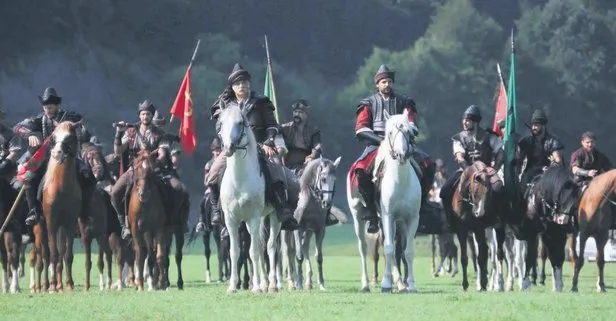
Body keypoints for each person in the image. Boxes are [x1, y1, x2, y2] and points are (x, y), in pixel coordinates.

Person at [205, 63, 299, 231]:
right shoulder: (225, 104)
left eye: (245, 82)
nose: (242, 86)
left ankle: (282, 208)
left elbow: (272, 125)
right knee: (213, 173)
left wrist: (267, 143)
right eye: (238, 83)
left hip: (261, 147)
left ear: (250, 83)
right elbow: (220, 125)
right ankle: (216, 211)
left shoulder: (261, 102)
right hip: (232, 148)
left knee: (279, 172)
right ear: (232, 87)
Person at [350, 64, 433, 233]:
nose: (386, 85)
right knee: (360, 170)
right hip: (377, 144)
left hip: (402, 142)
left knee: (428, 165)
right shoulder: (369, 103)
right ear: (377, 85)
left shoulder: (404, 101)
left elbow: (412, 123)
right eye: (383, 82)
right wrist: (381, 141)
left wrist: (407, 131)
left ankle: (421, 206)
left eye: (388, 81)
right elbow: (361, 128)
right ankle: (372, 214)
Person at [13, 87, 92, 226]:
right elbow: (17, 127)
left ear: (57, 106)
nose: (47, 110)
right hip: (46, 159)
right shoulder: (38, 119)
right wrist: (30, 134)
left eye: (50, 107)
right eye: (45, 108)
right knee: (30, 178)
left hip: (67, 158)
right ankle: (34, 211)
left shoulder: (70, 116)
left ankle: (85, 212)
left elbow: (82, 126)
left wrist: (75, 127)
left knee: (88, 175)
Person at [110, 99, 166, 239]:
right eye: (142, 114)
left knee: (173, 189)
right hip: (134, 169)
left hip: (152, 169)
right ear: (139, 116)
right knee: (115, 191)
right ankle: (124, 224)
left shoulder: (158, 133)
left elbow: (162, 154)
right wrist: (118, 133)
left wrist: (155, 163)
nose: (145, 117)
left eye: (147, 114)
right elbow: (118, 151)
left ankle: (171, 220)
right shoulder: (130, 132)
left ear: (152, 116)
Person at [439, 105, 504, 218]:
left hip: (486, 170)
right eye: (464, 119)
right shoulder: (459, 138)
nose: (464, 122)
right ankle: (450, 220)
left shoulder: (489, 136)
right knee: (444, 191)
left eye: (468, 120)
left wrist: (495, 168)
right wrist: (470, 170)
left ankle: (499, 218)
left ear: (475, 122)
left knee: (498, 187)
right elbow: (459, 157)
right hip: (466, 169)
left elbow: (501, 153)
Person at [517, 109, 564, 194]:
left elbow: (558, 161)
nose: (534, 127)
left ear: (543, 126)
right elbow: (519, 158)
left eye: (536, 125)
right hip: (530, 172)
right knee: (521, 191)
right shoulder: (527, 141)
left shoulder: (553, 141)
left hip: (548, 173)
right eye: (533, 125)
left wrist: (550, 168)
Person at [195, 137, 222, 233]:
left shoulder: (226, 162)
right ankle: (201, 222)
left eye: (219, 150)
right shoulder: (209, 164)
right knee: (203, 202)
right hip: (212, 187)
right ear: (212, 151)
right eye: (216, 150)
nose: (218, 152)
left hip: (224, 187)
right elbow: (206, 180)